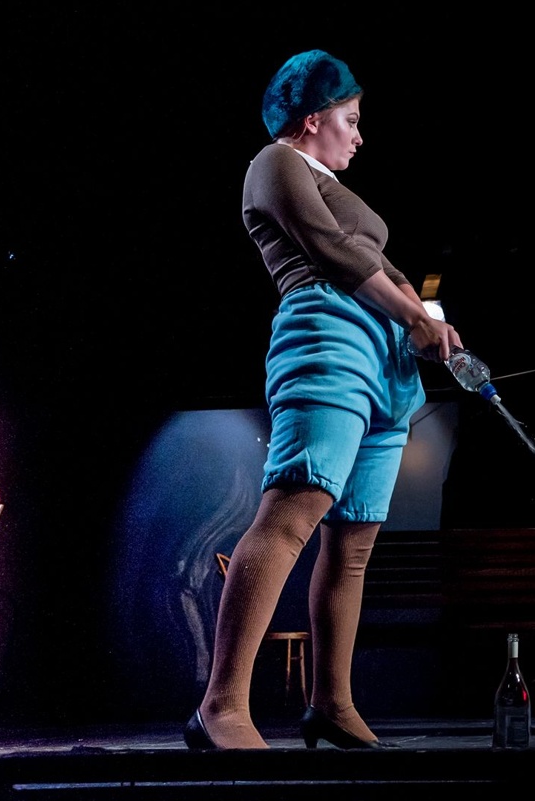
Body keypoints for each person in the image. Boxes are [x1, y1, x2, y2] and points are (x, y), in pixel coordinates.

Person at [184, 49, 461, 750]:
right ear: (313, 118)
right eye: (351, 119)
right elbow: (331, 250)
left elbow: (383, 264)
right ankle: (221, 706)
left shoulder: (338, 188)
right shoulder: (275, 162)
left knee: (354, 540)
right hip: (328, 335)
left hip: (386, 358)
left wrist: (425, 324)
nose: (359, 136)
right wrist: (414, 314)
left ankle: (331, 704)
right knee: (292, 513)